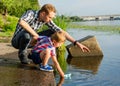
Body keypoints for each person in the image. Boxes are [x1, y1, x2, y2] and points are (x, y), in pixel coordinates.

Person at [11, 4, 90, 64]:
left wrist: (76, 43)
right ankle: (22, 55)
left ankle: (34, 53)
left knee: (53, 32)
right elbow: (22, 22)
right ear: (43, 14)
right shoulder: (31, 13)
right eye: (49, 17)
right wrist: (36, 35)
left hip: (31, 41)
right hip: (17, 41)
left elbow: (61, 32)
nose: (50, 20)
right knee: (26, 34)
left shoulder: (46, 20)